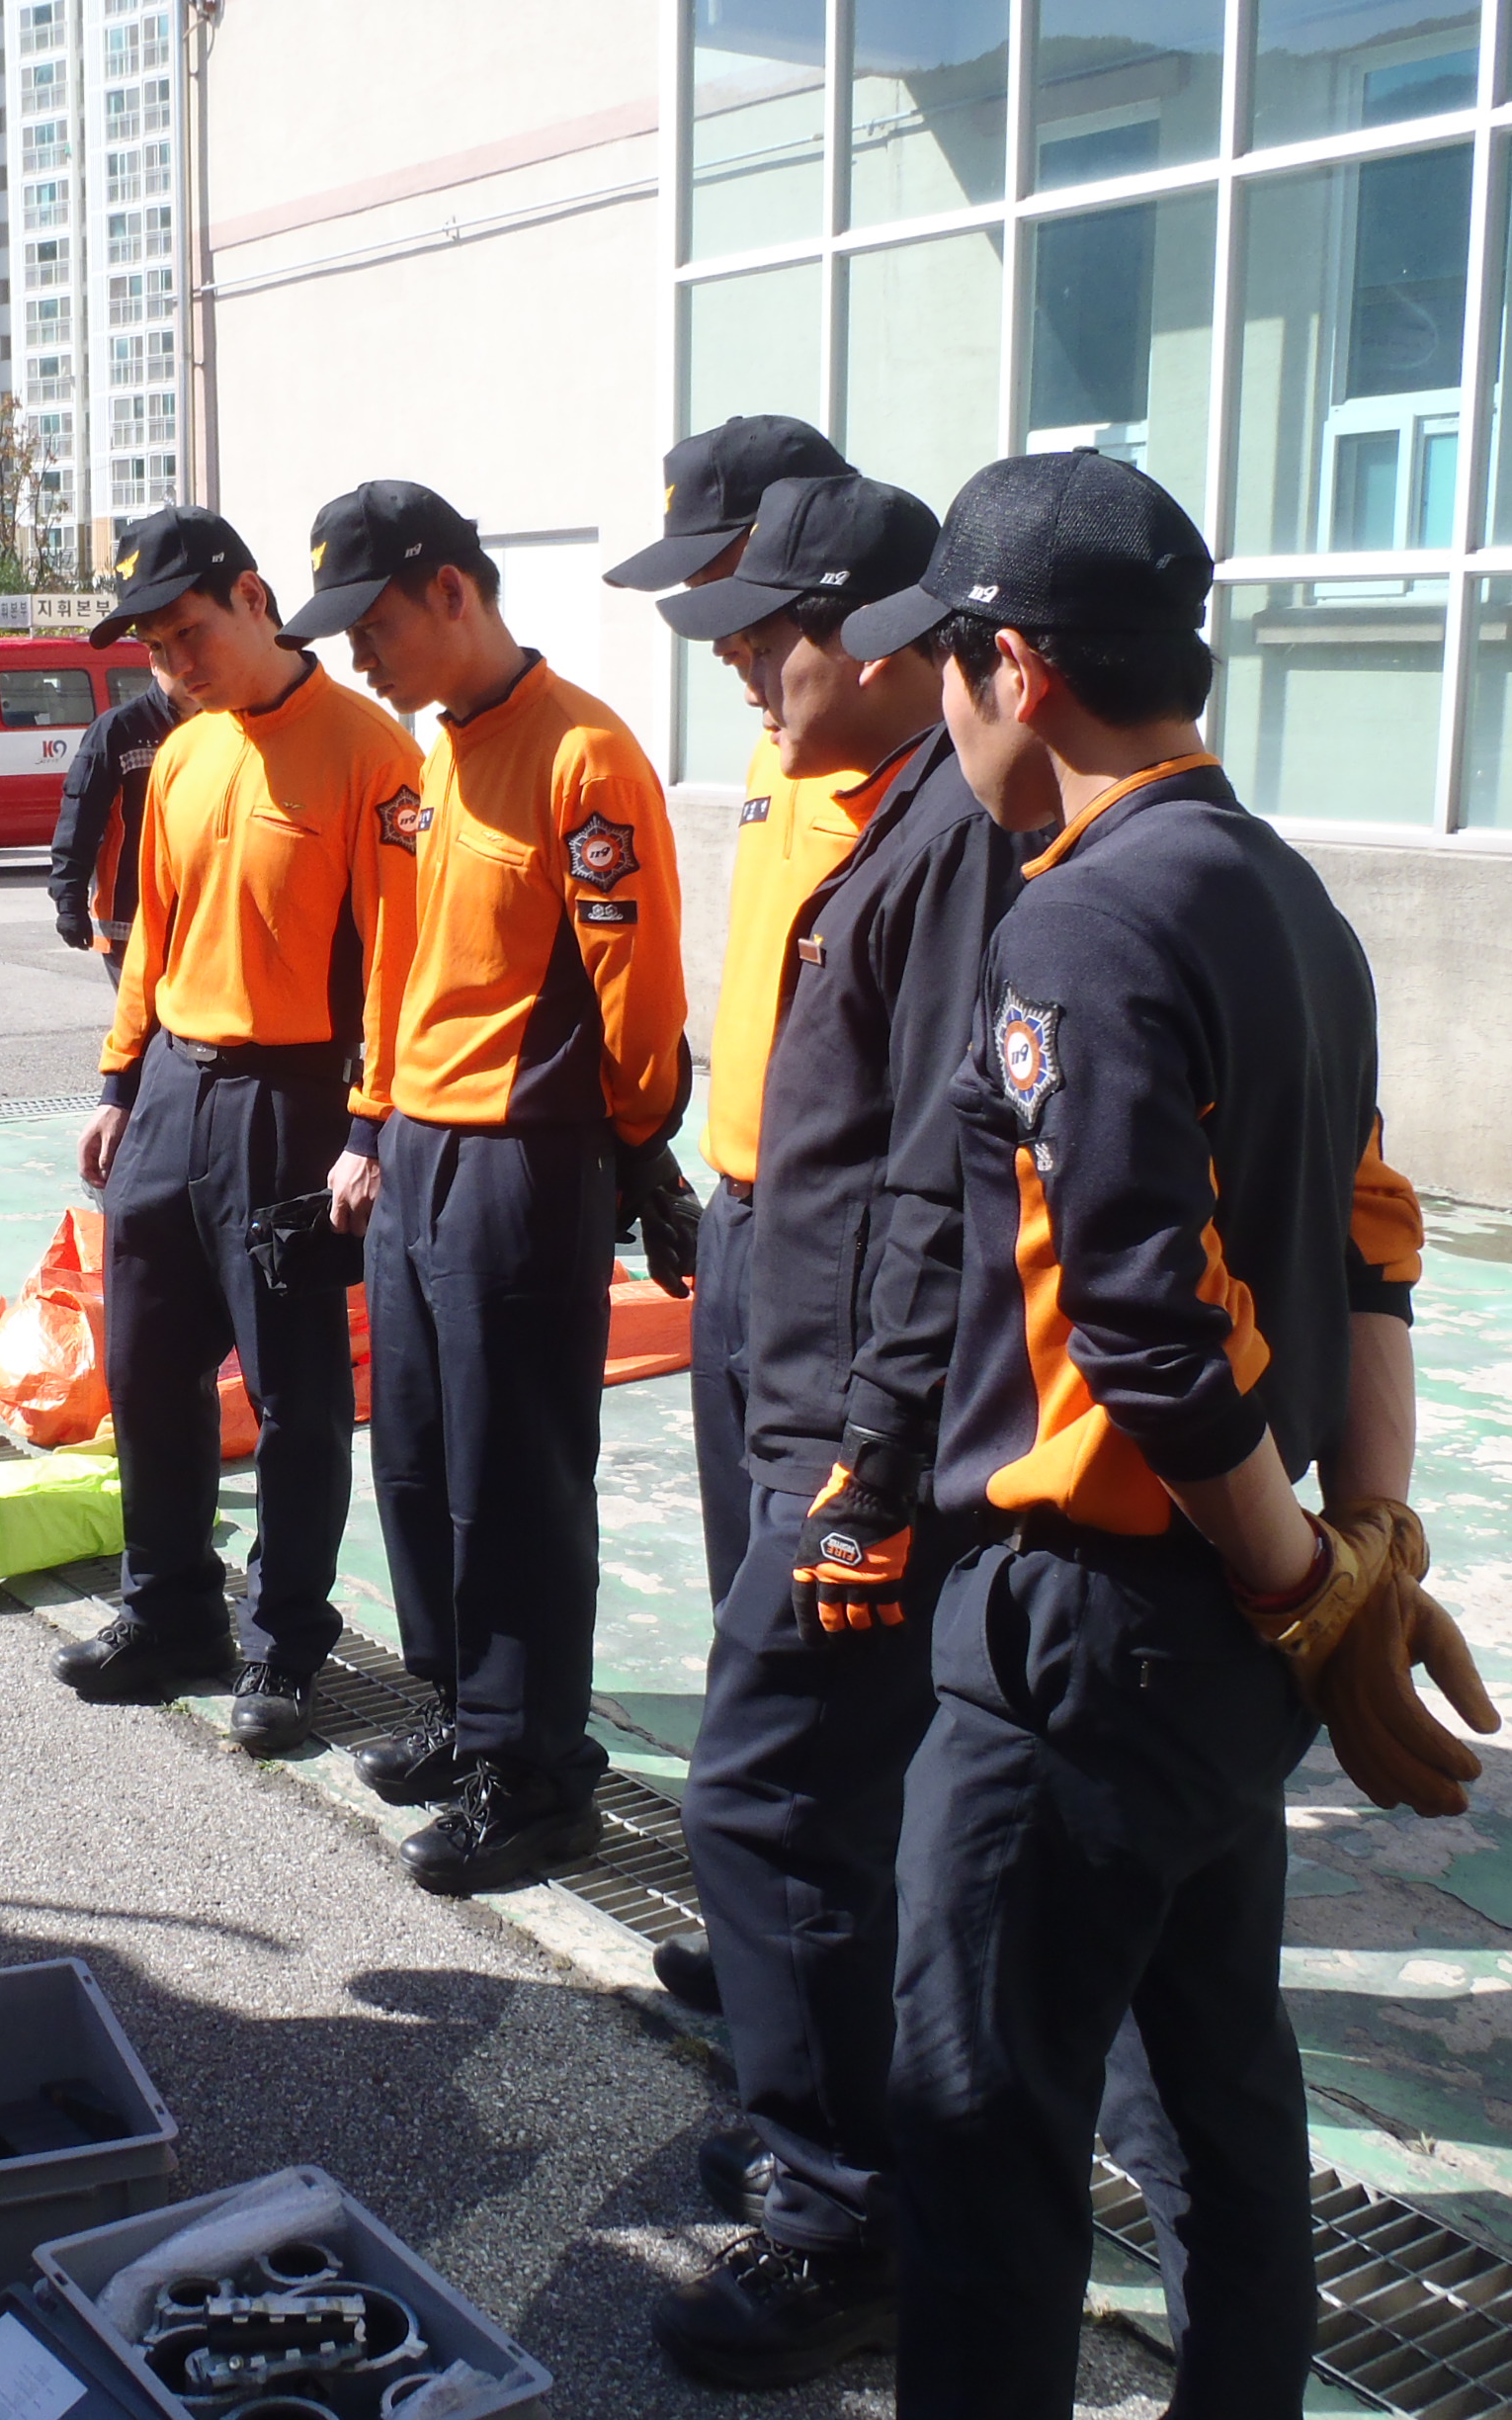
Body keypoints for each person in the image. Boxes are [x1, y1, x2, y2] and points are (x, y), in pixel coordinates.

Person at [835, 452, 1499, 2417]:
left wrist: (1310, 1581)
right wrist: (1362, 1541)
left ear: (1017, 667)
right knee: (1219, 2098)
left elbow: (1144, 1322)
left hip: (1094, 1628)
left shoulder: (1084, 920)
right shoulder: (1285, 897)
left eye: (944, 665)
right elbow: (1371, 1241)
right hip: (1227, 1626)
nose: (938, 709)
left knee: (983, 2136)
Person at [633, 472, 1040, 2387]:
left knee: (768, 1795)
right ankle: (840, 2138)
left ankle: (839, 2214)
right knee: (825, 1801)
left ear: (884, 639)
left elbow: (936, 1191)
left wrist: (860, 1465)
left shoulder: (955, 842)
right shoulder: (896, 811)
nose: (743, 672)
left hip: (864, 1429)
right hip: (811, 1385)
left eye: (768, 636)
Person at [279, 479, 694, 1896]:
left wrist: (638, 1149)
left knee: (515, 1478)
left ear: (452, 590)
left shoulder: (585, 757)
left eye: (376, 626)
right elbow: (400, 960)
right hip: (420, 1147)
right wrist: (373, 1120)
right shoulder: (441, 755)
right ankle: (465, 1710)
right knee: (417, 1458)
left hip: (526, 1154)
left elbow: (640, 999)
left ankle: (536, 1777)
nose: (359, 658)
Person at [58, 506, 421, 1752]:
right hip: (172, 1087)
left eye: (190, 634)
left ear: (256, 600)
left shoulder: (371, 752)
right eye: (155, 649)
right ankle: (168, 1615)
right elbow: (152, 934)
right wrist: (117, 1085)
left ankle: (283, 1646)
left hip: (296, 1102)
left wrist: (369, 1125)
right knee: (146, 1373)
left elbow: (397, 961)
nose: (175, 665)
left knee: (295, 1396)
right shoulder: (181, 755)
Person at [602, 412, 855, 2018]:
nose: (718, 635)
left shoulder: (908, 758)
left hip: (840, 1241)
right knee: (743, 1595)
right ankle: (768, 1916)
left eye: (730, 578)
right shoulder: (779, 739)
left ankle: (830, 1948)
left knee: (821, 1618)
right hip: (746, 1211)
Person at [48, 650, 185, 980]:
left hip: (198, 919)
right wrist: (69, 901)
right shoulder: (118, 730)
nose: (188, 670)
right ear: (153, 663)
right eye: (176, 661)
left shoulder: (224, 723)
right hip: (130, 919)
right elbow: (79, 820)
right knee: (144, 1013)